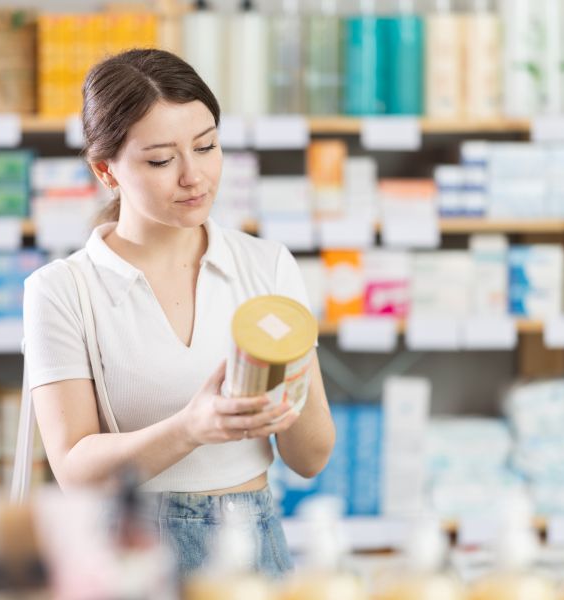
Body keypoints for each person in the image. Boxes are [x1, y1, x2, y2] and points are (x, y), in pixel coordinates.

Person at [23, 48, 336, 577]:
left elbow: (310, 459)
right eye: (162, 160)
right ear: (107, 171)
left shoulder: (265, 265)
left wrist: (286, 390)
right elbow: (74, 470)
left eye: (207, 146)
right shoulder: (61, 290)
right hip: (132, 552)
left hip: (253, 541)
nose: (195, 176)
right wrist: (192, 427)